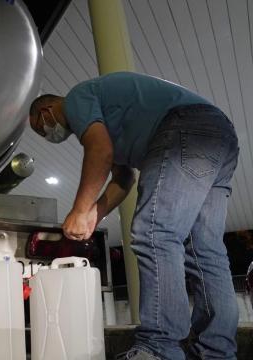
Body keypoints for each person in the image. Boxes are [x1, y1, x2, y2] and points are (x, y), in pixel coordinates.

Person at [28, 71, 239, 359]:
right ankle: (217, 352)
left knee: (155, 232)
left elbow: (99, 151)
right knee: (206, 251)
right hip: (220, 136)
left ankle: (158, 349)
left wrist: (78, 210)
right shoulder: (105, 118)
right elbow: (123, 177)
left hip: (185, 128)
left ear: (46, 110)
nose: (46, 134)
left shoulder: (76, 99)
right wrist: (94, 214)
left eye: (40, 128)